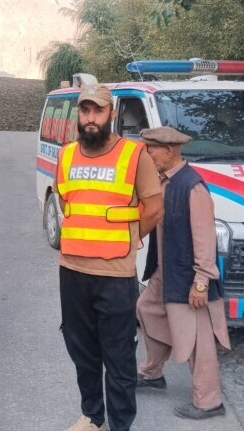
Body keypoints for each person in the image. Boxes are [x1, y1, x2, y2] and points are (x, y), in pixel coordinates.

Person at [56, 85, 163, 431]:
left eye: (97, 111)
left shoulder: (134, 155)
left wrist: (130, 240)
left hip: (116, 275)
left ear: (110, 114)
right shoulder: (67, 155)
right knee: (82, 352)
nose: (90, 118)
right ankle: (92, 416)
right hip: (72, 270)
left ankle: (120, 424)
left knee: (117, 357)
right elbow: (65, 203)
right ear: (78, 115)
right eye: (85, 111)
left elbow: (154, 208)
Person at [136, 126, 231, 420]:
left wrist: (201, 282)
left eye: (151, 150)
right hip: (165, 271)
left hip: (189, 277)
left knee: (198, 338)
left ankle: (208, 401)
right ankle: (153, 372)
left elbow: (205, 239)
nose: (147, 155)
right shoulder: (164, 181)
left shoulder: (193, 187)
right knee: (147, 309)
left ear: (169, 151)